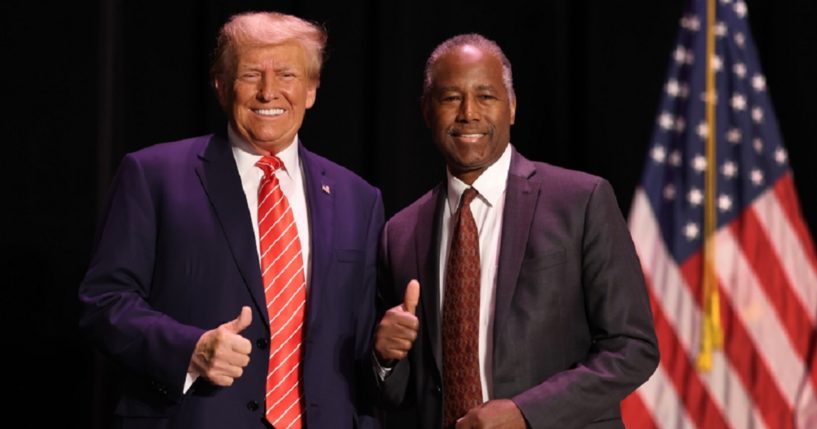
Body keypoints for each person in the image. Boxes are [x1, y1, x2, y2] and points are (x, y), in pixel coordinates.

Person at [79, 11, 383, 429]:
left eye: (288, 76)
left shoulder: (358, 199)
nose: (268, 92)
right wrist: (190, 349)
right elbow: (103, 301)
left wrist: (387, 352)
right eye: (251, 75)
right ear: (221, 86)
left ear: (311, 90)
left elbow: (359, 351)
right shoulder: (153, 176)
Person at [373, 34, 659, 429]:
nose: (468, 113)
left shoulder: (581, 200)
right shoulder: (400, 232)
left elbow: (632, 347)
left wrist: (526, 414)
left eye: (486, 96)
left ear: (511, 108)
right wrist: (386, 359)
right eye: (451, 97)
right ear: (426, 111)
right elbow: (406, 393)